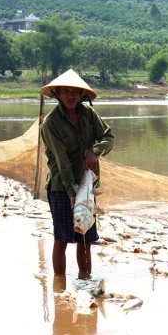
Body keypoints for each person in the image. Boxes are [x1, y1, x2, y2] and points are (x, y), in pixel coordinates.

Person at [40, 69, 115, 276]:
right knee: (62, 238)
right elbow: (62, 162)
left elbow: (109, 137)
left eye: (75, 92)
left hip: (87, 186)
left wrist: (94, 152)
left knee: (86, 237)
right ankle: (59, 282)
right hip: (61, 186)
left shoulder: (89, 114)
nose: (71, 96)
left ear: (82, 94)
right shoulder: (51, 123)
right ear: (58, 94)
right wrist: (72, 193)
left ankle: (85, 279)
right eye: (65, 92)